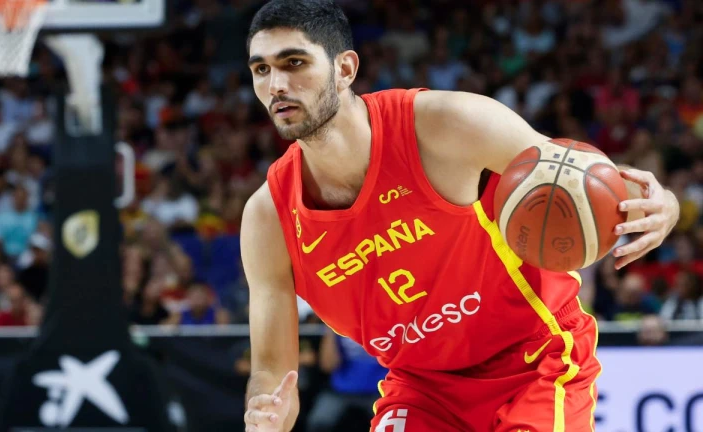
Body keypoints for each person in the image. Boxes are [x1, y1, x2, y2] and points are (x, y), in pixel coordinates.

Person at [240, 1, 681, 431]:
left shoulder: (447, 125)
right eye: (261, 69)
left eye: (294, 62)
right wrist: (266, 414)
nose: (276, 84)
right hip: (423, 387)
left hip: (533, 358)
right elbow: (273, 375)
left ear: (345, 69)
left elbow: (579, 179)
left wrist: (665, 205)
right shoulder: (268, 219)